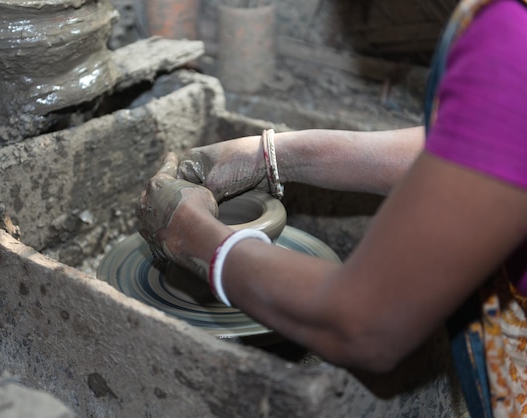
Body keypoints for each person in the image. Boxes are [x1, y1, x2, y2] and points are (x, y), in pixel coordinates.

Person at [136, 0, 527, 416]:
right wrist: (275, 155)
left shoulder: (509, 34)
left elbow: (368, 325)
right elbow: (488, 150)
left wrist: (192, 238)